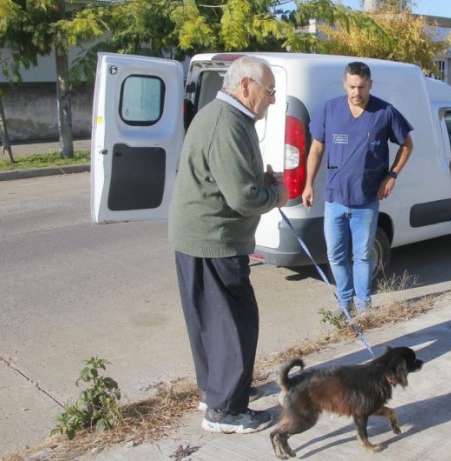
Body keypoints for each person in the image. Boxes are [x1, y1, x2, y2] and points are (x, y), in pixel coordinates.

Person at [169, 56, 287, 434]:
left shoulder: (227, 117)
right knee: (237, 325)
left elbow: (231, 177)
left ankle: (214, 391)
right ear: (246, 86)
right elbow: (243, 197)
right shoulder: (227, 123)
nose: (272, 99)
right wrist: (275, 195)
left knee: (211, 324)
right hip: (214, 239)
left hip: (200, 237)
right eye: (269, 91)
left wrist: (261, 181)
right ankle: (226, 412)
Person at [302, 62, 413, 313]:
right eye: (352, 86)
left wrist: (392, 174)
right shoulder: (330, 111)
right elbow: (316, 148)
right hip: (335, 200)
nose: (356, 93)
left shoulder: (385, 112)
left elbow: (407, 145)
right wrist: (309, 184)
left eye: (362, 87)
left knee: (362, 256)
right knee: (335, 255)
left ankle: (364, 308)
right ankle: (345, 304)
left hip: (366, 200)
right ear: (344, 84)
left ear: (370, 85)